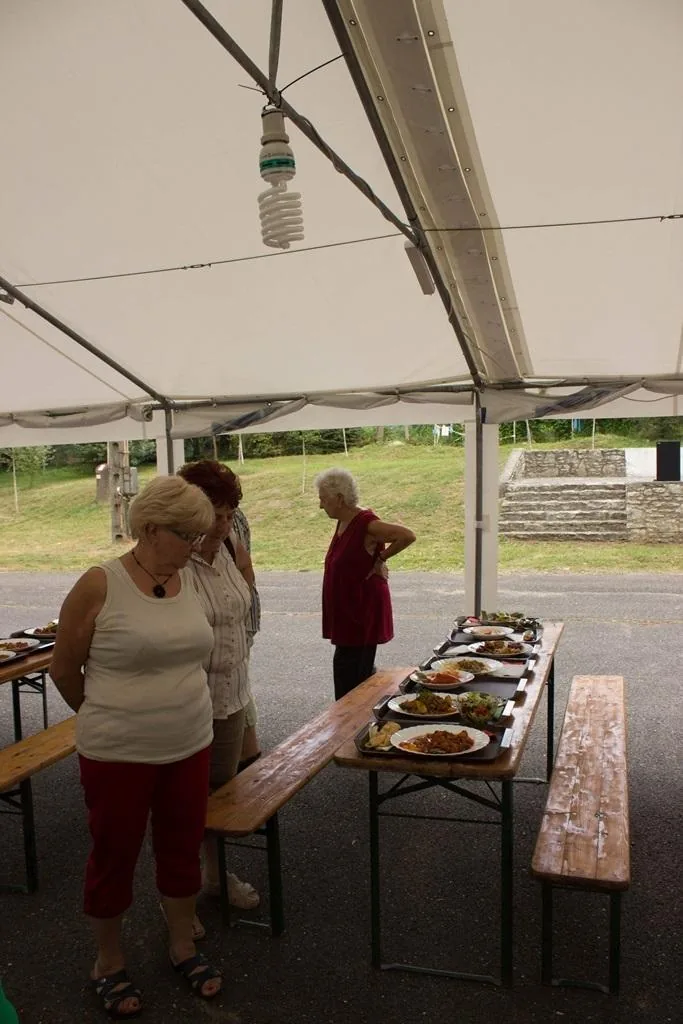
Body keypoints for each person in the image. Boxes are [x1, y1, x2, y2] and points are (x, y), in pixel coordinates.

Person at [50, 475, 223, 1019]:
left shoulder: (187, 577)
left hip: (190, 742)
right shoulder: (100, 584)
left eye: (200, 536)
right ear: (150, 529)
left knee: (180, 846)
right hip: (118, 753)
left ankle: (182, 945)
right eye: (186, 535)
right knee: (114, 855)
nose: (196, 546)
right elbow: (63, 670)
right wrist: (109, 714)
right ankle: (108, 960)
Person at [178, 461, 260, 916]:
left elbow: (244, 590)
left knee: (221, 795)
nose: (223, 523)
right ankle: (180, 891)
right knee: (184, 804)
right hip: (190, 702)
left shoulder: (229, 543)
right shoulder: (173, 561)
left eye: (229, 513)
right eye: (214, 512)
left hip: (231, 694)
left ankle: (214, 874)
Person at [316, 467, 416, 700]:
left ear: (339, 499)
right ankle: (357, 720)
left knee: (350, 680)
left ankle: (354, 727)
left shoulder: (366, 524)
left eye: (323, 499)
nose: (320, 506)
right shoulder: (344, 521)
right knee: (351, 673)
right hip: (347, 613)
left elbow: (407, 535)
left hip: (360, 613)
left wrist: (381, 558)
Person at [231, 506, 262, 773]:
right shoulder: (234, 514)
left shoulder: (228, 520)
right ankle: (247, 757)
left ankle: (247, 758)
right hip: (240, 619)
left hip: (238, 624)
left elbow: (243, 566)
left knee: (237, 686)